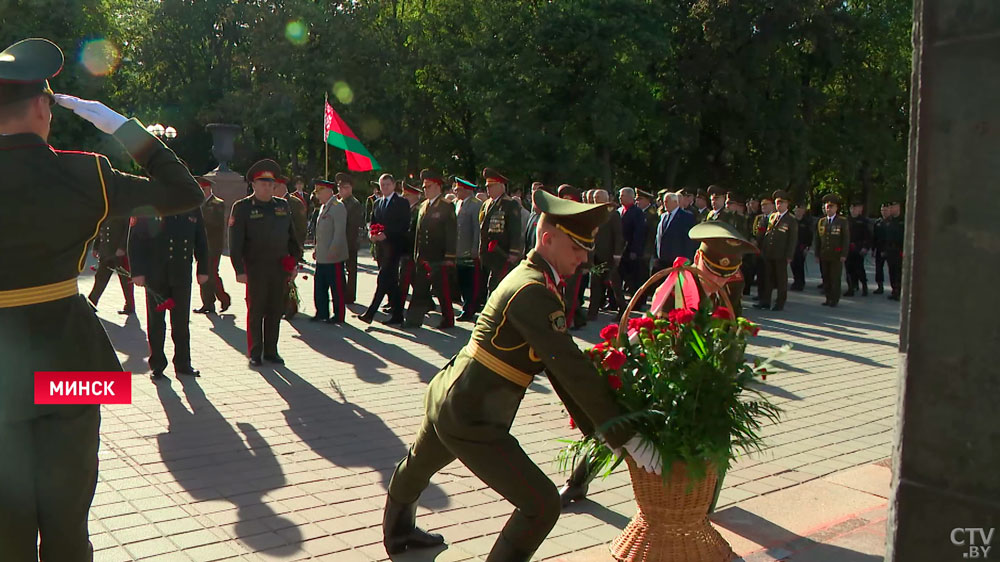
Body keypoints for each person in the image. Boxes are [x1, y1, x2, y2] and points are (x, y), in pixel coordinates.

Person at [0, 38, 203, 560]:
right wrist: (121, 127)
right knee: (69, 521)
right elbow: (185, 192)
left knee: (6, 529)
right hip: (74, 365)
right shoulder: (84, 173)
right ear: (45, 107)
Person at [382, 189, 660, 561]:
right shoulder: (534, 290)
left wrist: (603, 432)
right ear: (548, 240)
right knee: (542, 504)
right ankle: (402, 537)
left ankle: (399, 537)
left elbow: (558, 369)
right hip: (472, 415)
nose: (583, 259)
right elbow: (570, 368)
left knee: (417, 465)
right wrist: (622, 432)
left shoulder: (535, 279)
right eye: (577, 249)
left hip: (454, 396)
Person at [559, 220, 758, 506]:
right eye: (714, 272)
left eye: (727, 275)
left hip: (698, 373)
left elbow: (729, 322)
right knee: (615, 422)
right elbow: (653, 328)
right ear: (699, 258)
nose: (720, 280)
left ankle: (706, 503)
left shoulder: (726, 285)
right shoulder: (678, 283)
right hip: (659, 368)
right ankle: (577, 482)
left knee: (718, 429)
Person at [229, 159, 301, 365]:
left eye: (271, 184)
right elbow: (235, 242)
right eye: (263, 183)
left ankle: (271, 350)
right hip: (255, 268)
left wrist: (294, 262)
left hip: (279, 267)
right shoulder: (242, 207)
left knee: (275, 310)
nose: (267, 187)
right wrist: (239, 269)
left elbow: (291, 237)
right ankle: (255, 352)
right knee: (256, 310)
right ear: (253, 184)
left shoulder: (282, 205)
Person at [129, 204, 209, 381]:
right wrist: (138, 272)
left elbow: (201, 239)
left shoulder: (191, 206)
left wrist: (203, 269)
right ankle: (157, 364)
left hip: (181, 273)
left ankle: (183, 363)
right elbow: (135, 241)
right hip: (155, 273)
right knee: (156, 321)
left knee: (181, 321)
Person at [404, 169, 457, 329]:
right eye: (424, 186)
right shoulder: (423, 206)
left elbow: (451, 233)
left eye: (428, 186)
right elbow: (418, 233)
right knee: (419, 290)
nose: (425, 189)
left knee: (442, 291)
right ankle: (413, 320)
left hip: (438, 256)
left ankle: (448, 320)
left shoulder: (446, 207)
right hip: (423, 256)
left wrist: (449, 257)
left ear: (437, 186)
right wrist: (416, 255)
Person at [358, 173, 410, 324]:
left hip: (395, 247)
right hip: (381, 249)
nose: (385, 187)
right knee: (391, 282)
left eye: (388, 184)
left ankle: (370, 313)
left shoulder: (401, 202)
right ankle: (398, 315)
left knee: (383, 279)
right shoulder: (377, 203)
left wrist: (386, 234)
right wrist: (372, 234)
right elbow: (372, 222)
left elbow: (404, 224)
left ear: (394, 185)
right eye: (382, 185)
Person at [478, 168, 523, 298]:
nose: (488, 189)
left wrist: (514, 253)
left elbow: (515, 230)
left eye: (491, 186)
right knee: (491, 286)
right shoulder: (487, 204)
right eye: (487, 186)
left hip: (502, 254)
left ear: (501, 186)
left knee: (496, 287)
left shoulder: (510, 205)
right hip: (489, 254)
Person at [310, 179, 348, 323]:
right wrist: (316, 249)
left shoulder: (337, 206)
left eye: (319, 192)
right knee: (320, 285)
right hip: (322, 255)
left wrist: (334, 249)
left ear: (328, 191)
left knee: (336, 287)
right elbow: (320, 232)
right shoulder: (324, 207)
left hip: (333, 256)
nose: (317, 196)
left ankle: (339, 315)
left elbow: (339, 232)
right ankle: (322, 312)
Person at [754, 190, 798, 312]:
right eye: (777, 203)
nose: (779, 205)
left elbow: (792, 239)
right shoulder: (773, 216)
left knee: (781, 280)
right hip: (769, 253)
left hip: (781, 254)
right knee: (768, 278)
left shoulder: (791, 220)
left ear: (787, 204)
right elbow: (768, 234)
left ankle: (780, 302)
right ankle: (765, 301)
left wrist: (789, 255)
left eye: (781, 203)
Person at [195, 176, 231, 314]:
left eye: (203, 189)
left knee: (212, 273)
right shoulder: (198, 204)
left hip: (213, 245)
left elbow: (215, 222)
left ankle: (224, 298)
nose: (201, 191)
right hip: (201, 246)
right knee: (203, 274)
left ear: (209, 189)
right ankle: (207, 303)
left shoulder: (217, 203)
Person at [588, 189, 624, 320]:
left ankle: (623, 309)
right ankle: (592, 312)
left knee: (614, 285)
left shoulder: (612, 214)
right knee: (595, 284)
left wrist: (617, 254)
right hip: (595, 255)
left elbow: (618, 235)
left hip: (609, 255)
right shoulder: (592, 212)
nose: (596, 199)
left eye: (599, 197)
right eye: (595, 197)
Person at [86, 216, 135, 314]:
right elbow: (100, 230)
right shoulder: (105, 212)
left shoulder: (123, 211)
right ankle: (92, 303)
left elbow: (128, 230)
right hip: (106, 251)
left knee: (125, 281)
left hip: (119, 252)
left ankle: (130, 306)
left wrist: (122, 247)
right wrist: (96, 247)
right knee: (100, 278)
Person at [454, 176, 482, 321]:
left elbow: (477, 229)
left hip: (469, 250)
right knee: (462, 280)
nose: (455, 191)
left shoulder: (476, 204)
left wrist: (475, 248)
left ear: (466, 190)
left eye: (458, 189)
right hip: (459, 249)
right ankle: (467, 306)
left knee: (469, 282)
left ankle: (469, 309)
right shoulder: (458, 203)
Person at [814, 193, 851, 307]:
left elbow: (845, 239)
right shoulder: (821, 221)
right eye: (827, 207)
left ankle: (834, 299)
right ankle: (828, 297)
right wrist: (816, 254)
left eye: (831, 207)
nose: (829, 209)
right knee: (825, 277)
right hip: (824, 254)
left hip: (836, 254)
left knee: (835, 277)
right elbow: (817, 239)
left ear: (836, 208)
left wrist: (844, 253)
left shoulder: (842, 221)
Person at [336, 172, 365, 304]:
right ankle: (342, 292)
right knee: (339, 270)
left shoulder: (354, 204)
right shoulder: (338, 202)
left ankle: (350, 295)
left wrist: (347, 243)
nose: (342, 190)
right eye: (340, 187)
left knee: (351, 270)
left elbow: (353, 226)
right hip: (339, 242)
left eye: (345, 187)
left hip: (349, 242)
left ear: (351, 188)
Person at [618, 187, 646, 296]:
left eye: (622, 195)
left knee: (633, 278)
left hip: (630, 250)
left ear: (630, 197)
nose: (620, 197)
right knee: (619, 276)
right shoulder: (619, 210)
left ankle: (636, 299)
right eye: (620, 195)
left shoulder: (637, 212)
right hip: (620, 250)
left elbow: (639, 233)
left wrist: (635, 250)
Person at [750, 195, 775, 299]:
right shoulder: (759, 218)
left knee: (768, 276)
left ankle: (766, 296)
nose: (763, 207)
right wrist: (753, 240)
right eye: (762, 205)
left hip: (770, 251)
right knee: (760, 275)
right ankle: (760, 295)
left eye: (766, 204)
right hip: (759, 250)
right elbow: (753, 232)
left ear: (772, 206)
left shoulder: (775, 218)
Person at [845, 201, 872, 297]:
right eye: (853, 208)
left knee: (859, 269)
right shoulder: (846, 220)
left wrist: (865, 247)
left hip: (859, 248)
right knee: (848, 269)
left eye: (857, 208)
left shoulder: (864, 221)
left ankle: (864, 286)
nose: (854, 210)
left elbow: (868, 236)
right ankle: (851, 288)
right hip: (847, 248)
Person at [790, 204, 813, 291]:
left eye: (800, 210)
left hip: (801, 246)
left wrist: (807, 247)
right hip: (792, 246)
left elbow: (810, 236)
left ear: (803, 211)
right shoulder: (792, 221)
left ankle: (800, 282)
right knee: (793, 265)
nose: (798, 212)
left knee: (800, 265)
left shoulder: (806, 222)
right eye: (796, 210)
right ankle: (796, 281)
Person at [872, 202, 892, 295]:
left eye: (886, 210)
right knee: (878, 268)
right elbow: (874, 237)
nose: (884, 212)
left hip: (890, 249)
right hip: (879, 248)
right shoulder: (878, 222)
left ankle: (895, 288)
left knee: (892, 269)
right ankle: (880, 286)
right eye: (882, 210)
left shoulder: (893, 222)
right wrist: (873, 249)